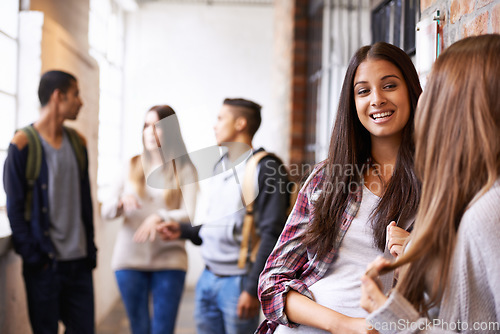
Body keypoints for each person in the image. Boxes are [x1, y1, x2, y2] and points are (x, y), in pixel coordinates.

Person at [257, 42, 422, 334]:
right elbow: (272, 283)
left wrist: (418, 254)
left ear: (411, 90)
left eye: (389, 86)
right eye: (363, 91)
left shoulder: (439, 182)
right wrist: (344, 325)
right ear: (352, 102)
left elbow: (454, 295)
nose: (377, 99)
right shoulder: (328, 177)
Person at [360, 34, 500, 334]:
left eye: (434, 88)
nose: (425, 99)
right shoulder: (478, 199)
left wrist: (395, 320)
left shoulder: (490, 210)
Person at [157, 98, 290, 334]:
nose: (214, 125)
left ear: (240, 123)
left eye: (220, 118)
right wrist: (185, 231)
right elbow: (217, 222)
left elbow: (273, 232)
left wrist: (251, 289)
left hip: (238, 284)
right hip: (207, 277)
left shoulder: (267, 168)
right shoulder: (220, 165)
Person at [3, 70, 97, 333]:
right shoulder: (22, 145)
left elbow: (85, 201)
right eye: (76, 94)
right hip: (45, 267)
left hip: (79, 264)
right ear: (59, 96)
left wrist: (90, 250)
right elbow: (15, 209)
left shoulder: (78, 143)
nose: (81, 101)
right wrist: (35, 258)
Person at [101, 105, 197, 334]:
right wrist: (121, 202)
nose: (150, 132)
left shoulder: (184, 167)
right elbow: (106, 211)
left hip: (170, 260)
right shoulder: (131, 164)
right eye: (146, 126)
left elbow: (191, 213)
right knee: (139, 328)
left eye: (158, 126)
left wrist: (159, 216)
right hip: (129, 261)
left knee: (162, 330)